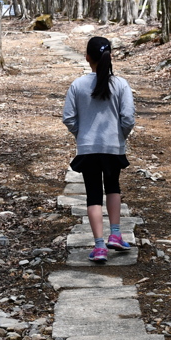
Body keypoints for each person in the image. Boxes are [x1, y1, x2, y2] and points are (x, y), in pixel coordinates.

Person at [62, 36, 136, 263]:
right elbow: (128, 118)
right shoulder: (121, 84)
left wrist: (81, 134)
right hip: (113, 147)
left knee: (93, 195)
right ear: (109, 56)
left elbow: (69, 118)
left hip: (87, 148)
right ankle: (116, 234)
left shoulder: (77, 85)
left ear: (87, 57)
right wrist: (119, 137)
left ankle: (100, 247)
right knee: (113, 187)